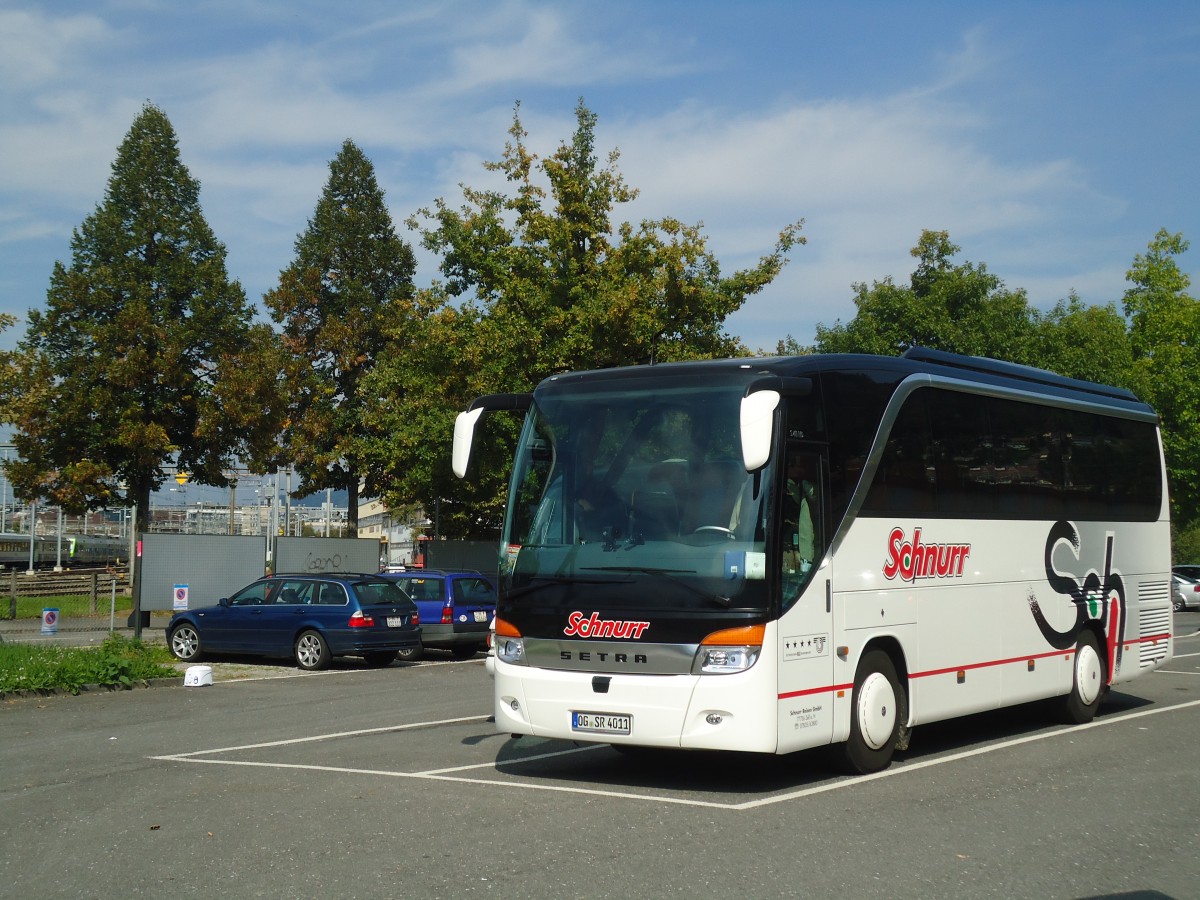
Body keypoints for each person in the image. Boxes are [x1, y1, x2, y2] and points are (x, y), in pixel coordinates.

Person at [782, 452, 817, 574]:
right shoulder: (784, 487)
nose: (799, 469)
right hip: (789, 549)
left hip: (803, 553)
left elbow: (814, 497)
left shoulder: (803, 489)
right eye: (794, 465)